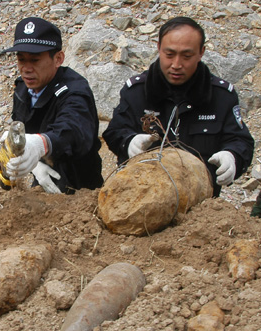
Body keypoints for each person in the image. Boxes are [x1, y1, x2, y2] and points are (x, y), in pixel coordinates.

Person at [102, 16, 254, 197]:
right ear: (158, 48)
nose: (176, 65)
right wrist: (129, 143)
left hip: (200, 204)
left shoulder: (221, 96)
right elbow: (114, 132)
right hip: (141, 199)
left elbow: (241, 140)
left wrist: (232, 156)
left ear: (201, 52)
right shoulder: (136, 92)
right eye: (169, 54)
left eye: (187, 56)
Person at [0, 16, 103, 194]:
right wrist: (33, 165)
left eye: (35, 60)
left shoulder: (75, 90)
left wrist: (41, 144)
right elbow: (23, 127)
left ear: (58, 59)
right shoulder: (23, 88)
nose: (26, 68)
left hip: (81, 186)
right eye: (21, 59)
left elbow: (73, 130)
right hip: (43, 177)